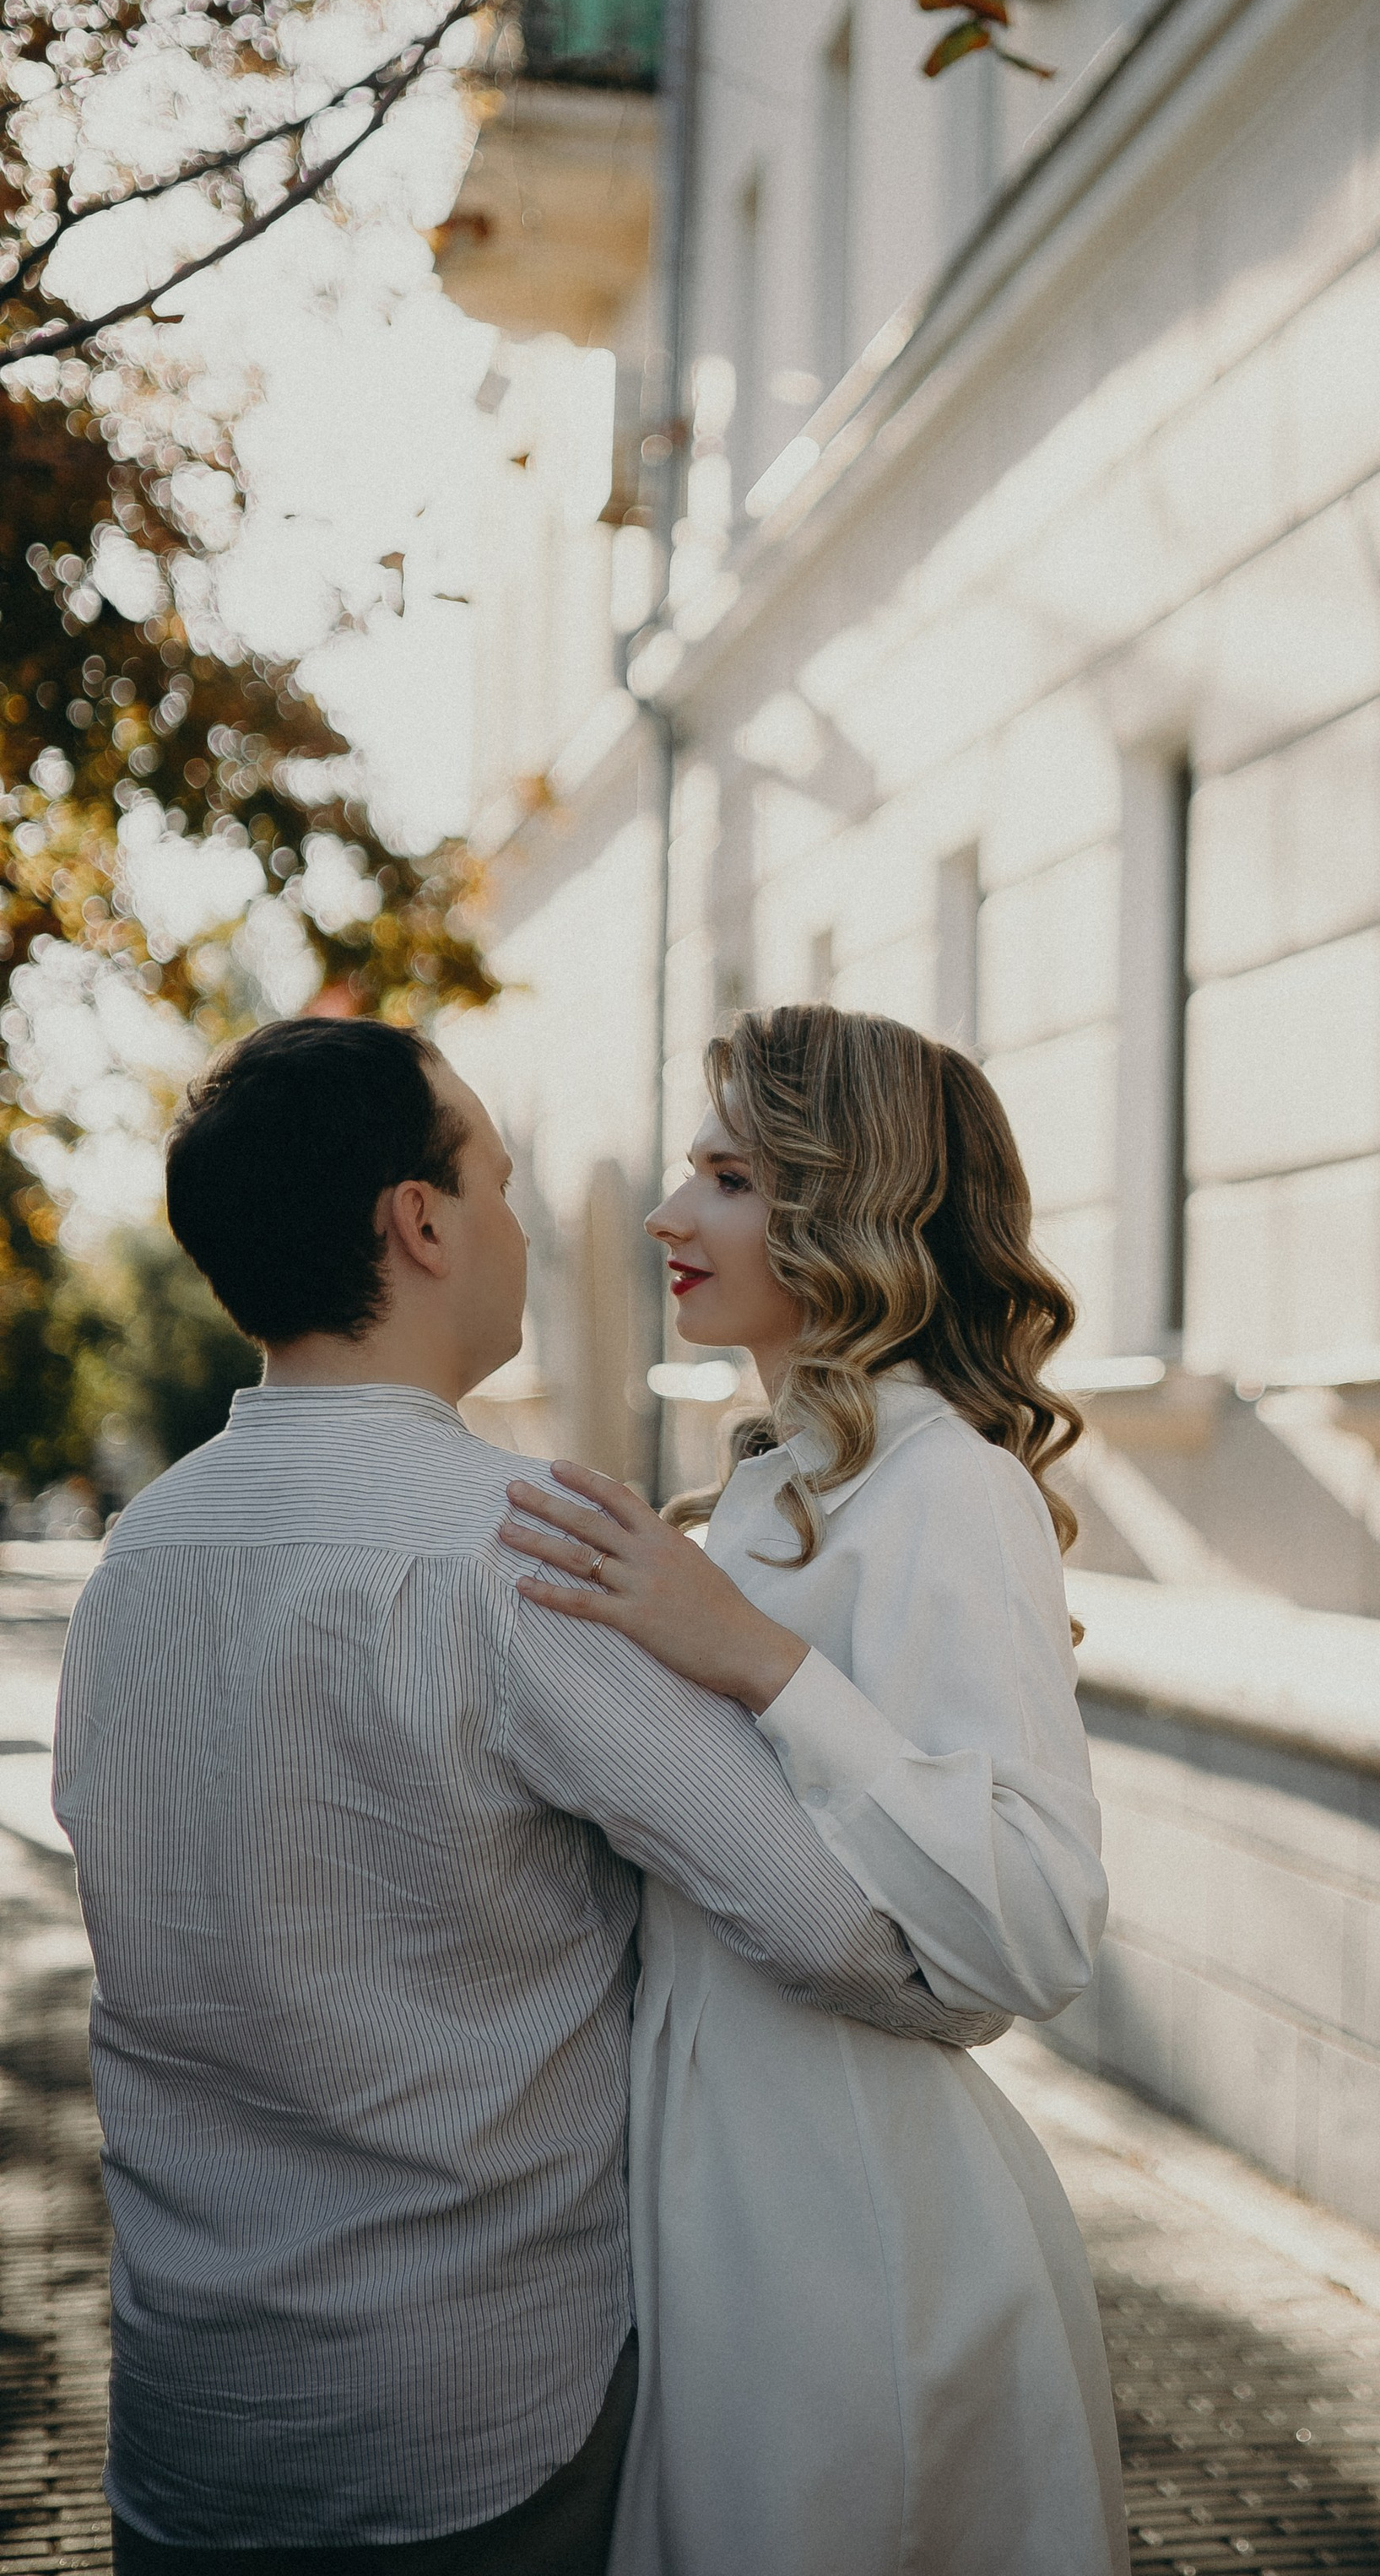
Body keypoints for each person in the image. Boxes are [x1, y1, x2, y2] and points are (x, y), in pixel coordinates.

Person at [52, 1016, 1004, 2576]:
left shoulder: (133, 1566)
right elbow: (857, 1936)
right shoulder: (536, 1552)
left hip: (187, 2432)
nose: (520, 1219)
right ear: (419, 1224)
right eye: (497, 1179)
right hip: (477, 2434)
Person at [500, 1002, 1128, 2576]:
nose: (665, 1214)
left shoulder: (950, 1491)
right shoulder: (780, 1484)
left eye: (724, 1175)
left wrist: (758, 1663)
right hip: (719, 2212)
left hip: (866, 2247)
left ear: (848, 1210)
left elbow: (1036, 1932)